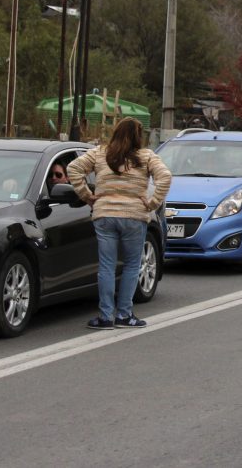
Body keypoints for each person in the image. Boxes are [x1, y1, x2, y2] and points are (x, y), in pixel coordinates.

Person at [67, 118, 172, 330]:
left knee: (106, 265)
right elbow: (165, 177)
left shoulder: (100, 153)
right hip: (134, 215)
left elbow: (73, 168)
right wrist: (152, 203)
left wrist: (87, 195)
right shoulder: (146, 156)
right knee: (132, 265)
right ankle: (124, 315)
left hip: (105, 215)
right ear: (137, 136)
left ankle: (105, 317)